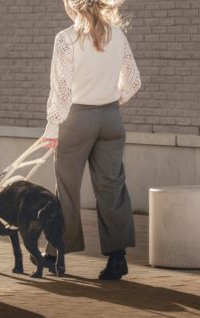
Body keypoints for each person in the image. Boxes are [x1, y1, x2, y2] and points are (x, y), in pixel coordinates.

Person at [40, 0, 141, 280]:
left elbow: (60, 91)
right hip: (111, 119)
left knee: (68, 190)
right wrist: (110, 102)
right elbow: (133, 81)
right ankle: (117, 258)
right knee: (112, 188)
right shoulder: (117, 34)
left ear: (73, 6)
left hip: (77, 120)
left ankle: (55, 255)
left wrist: (52, 128)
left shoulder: (66, 39)